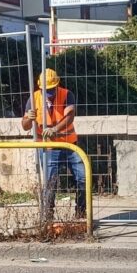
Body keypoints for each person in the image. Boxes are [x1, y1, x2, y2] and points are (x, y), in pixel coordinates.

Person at [21, 68, 87, 221]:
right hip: (48, 148)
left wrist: (55, 130)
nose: (50, 94)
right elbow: (25, 126)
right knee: (50, 183)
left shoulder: (66, 94)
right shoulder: (33, 98)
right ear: (40, 87)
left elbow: (70, 116)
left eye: (52, 89)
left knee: (83, 178)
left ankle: (82, 213)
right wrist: (29, 118)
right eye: (46, 90)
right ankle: (47, 217)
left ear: (57, 85)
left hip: (69, 144)